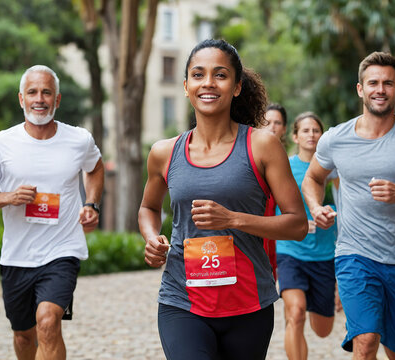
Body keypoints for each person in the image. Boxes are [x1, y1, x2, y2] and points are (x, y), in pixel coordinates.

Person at [138, 39, 308, 360]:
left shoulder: (262, 146)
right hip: (182, 300)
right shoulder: (164, 152)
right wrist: (151, 237)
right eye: (198, 75)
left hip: (247, 303)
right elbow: (149, 207)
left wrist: (232, 219)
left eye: (220, 75)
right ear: (186, 86)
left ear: (237, 86)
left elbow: (297, 224)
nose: (208, 83)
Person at [302, 51, 395, 360]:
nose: (380, 89)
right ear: (360, 89)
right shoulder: (335, 139)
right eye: (373, 82)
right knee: (366, 340)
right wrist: (316, 207)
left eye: (388, 83)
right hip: (354, 254)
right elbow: (312, 178)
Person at [0, 65, 104, 360]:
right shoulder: (0, 144)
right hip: (17, 255)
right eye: (32, 92)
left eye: (46, 92)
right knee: (23, 335)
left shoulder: (78, 140)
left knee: (48, 322)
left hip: (61, 251)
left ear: (57, 99)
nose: (39, 98)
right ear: (21, 99)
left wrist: (91, 203)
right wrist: (8, 197)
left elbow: (95, 168)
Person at [276, 112, 338, 360]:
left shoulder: (334, 170)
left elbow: (349, 204)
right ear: (295, 136)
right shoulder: (285, 167)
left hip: (324, 253)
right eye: (305, 130)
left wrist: (330, 214)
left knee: (323, 330)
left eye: (316, 130)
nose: (311, 135)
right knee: (296, 313)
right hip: (290, 250)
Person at [261, 102, 289, 281]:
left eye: (277, 123)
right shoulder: (250, 154)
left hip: (280, 235)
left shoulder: (288, 162)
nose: (272, 126)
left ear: (284, 128)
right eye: (267, 121)